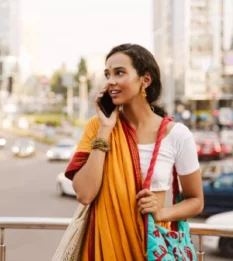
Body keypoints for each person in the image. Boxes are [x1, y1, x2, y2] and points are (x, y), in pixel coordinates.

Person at [65, 44, 203, 260]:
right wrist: (105, 129)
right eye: (107, 74)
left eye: (119, 73)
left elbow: (196, 200)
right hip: (104, 250)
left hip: (150, 249)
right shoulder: (97, 127)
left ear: (145, 80)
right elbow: (84, 193)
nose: (111, 81)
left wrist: (161, 212)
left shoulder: (177, 135)